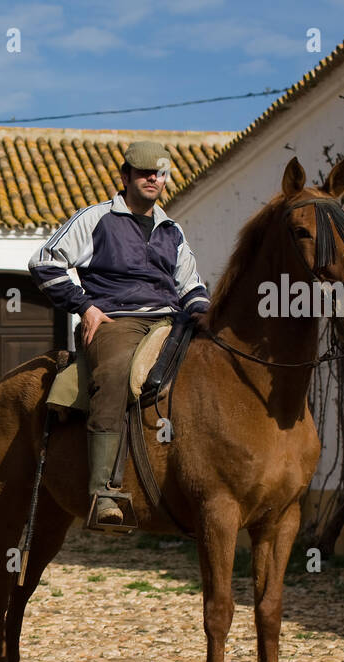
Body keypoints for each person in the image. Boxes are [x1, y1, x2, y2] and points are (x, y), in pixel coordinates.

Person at [28, 140, 211, 525]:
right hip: (117, 319)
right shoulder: (96, 219)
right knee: (113, 376)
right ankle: (103, 493)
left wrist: (205, 316)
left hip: (171, 319)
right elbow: (44, 262)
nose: (152, 179)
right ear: (124, 176)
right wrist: (85, 306)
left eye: (158, 173)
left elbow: (191, 287)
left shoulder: (172, 230)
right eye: (143, 172)